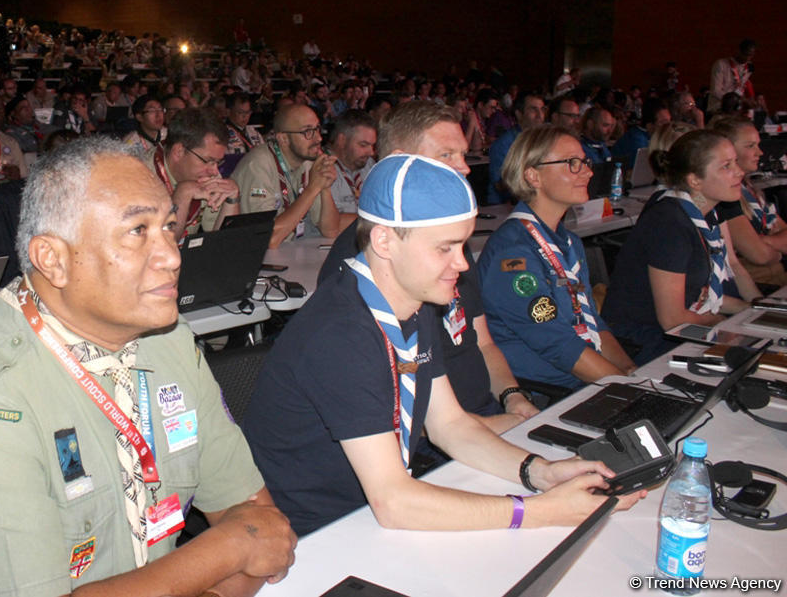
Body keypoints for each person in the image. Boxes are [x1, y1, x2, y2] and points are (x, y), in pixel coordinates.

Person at [0, 136, 296, 597]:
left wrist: (234, 551)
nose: (173, 255)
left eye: (169, 226)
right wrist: (228, 547)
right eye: (138, 230)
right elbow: (244, 537)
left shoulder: (168, 339)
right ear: (52, 260)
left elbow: (262, 529)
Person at [242, 154, 641, 537]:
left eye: (462, 246)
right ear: (384, 241)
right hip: (318, 535)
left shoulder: (414, 304)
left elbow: (450, 425)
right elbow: (393, 502)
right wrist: (539, 511)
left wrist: (541, 472)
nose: (463, 263)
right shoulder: (340, 334)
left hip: (372, 513)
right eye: (444, 248)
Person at [318, 100, 539, 433]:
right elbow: (397, 413)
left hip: (484, 419)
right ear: (399, 162)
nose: (465, 168)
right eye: (446, 155)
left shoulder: (449, 243)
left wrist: (513, 397)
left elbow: (482, 343)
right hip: (432, 443)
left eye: (463, 155)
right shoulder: (367, 262)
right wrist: (495, 427)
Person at [478, 127, 636, 390]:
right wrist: (625, 386)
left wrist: (631, 373)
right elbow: (558, 344)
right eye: (572, 163)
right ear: (533, 176)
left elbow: (592, 322)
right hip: (549, 392)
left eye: (584, 162)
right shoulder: (513, 253)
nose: (588, 172)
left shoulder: (569, 242)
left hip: (587, 377)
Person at [603, 130, 760, 364]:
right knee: (751, 361)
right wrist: (721, 322)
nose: (739, 171)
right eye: (726, 166)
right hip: (642, 340)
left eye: (735, 162)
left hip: (677, 327)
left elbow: (700, 295)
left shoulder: (702, 213)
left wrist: (751, 310)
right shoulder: (669, 223)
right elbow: (673, 320)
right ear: (694, 180)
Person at [232, 104, 339, 247]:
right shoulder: (257, 166)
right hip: (250, 253)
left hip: (289, 250)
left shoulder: (308, 162)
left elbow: (331, 231)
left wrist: (324, 187)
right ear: (283, 139)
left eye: (317, 129)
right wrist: (312, 188)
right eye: (307, 131)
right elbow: (266, 238)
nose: (319, 138)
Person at [709, 116, 787, 286]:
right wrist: (776, 248)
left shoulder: (749, 190)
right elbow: (760, 255)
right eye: (751, 146)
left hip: (774, 276)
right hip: (758, 284)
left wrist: (766, 241)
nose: (760, 152)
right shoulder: (725, 200)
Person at [144, 108, 239, 240]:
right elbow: (160, 244)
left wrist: (232, 199)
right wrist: (182, 196)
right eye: (209, 161)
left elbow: (225, 241)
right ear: (179, 152)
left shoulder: (207, 174)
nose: (215, 171)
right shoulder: (137, 177)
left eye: (218, 162)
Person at [487, 92, 546, 203]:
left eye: (542, 110)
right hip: (505, 206)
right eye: (533, 110)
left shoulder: (546, 141)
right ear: (519, 114)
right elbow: (499, 186)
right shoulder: (503, 144)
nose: (540, 115)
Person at [327, 109, 376, 221]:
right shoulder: (323, 169)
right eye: (363, 145)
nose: (371, 152)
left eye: (372, 146)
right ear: (342, 140)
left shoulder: (368, 164)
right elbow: (333, 223)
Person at [708, 39, 755, 113]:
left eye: (750, 55)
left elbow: (739, 88)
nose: (747, 58)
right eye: (745, 54)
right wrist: (736, 100)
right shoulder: (721, 64)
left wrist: (747, 101)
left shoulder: (747, 68)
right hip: (718, 107)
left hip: (735, 109)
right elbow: (716, 91)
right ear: (739, 51)